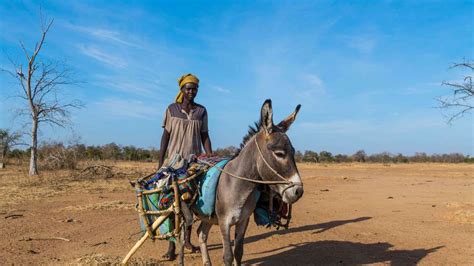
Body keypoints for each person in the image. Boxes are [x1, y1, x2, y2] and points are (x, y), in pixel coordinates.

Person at [158, 73, 212, 260]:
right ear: (181, 90)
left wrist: (209, 156)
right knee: (172, 204)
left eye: (194, 88)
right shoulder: (171, 109)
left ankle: (187, 241)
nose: (191, 91)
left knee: (191, 199)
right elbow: (165, 137)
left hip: (193, 162)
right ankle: (172, 246)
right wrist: (160, 163)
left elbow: (205, 135)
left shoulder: (201, 111)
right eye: (188, 88)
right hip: (173, 163)